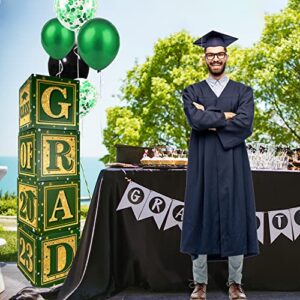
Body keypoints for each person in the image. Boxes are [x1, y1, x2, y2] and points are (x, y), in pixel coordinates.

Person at [180, 30, 259, 300]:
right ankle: (199, 284)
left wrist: (210, 118)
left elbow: (245, 124)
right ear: (204, 58)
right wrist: (225, 115)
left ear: (227, 56)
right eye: (211, 55)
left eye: (220, 54)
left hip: (233, 162)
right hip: (202, 162)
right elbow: (195, 121)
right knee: (200, 215)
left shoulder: (243, 91)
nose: (216, 58)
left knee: (235, 216)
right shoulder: (191, 91)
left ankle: (235, 283)